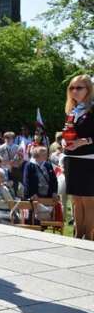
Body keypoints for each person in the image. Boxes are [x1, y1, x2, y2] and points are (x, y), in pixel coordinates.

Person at [62, 75, 94, 239]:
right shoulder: (72, 111)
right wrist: (63, 140)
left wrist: (84, 141)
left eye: (79, 88)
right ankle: (78, 235)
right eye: (71, 88)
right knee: (76, 200)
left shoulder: (92, 109)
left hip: (89, 160)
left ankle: (88, 237)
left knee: (88, 201)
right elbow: (69, 133)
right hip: (71, 158)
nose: (74, 91)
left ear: (88, 90)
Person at [0, 131, 24, 196]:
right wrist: (8, 163)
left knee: (15, 183)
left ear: (13, 138)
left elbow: (21, 160)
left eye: (10, 137)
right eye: (6, 137)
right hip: (4, 168)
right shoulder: (1, 148)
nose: (8, 139)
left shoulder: (18, 147)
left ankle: (16, 195)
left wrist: (17, 163)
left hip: (15, 169)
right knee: (5, 184)